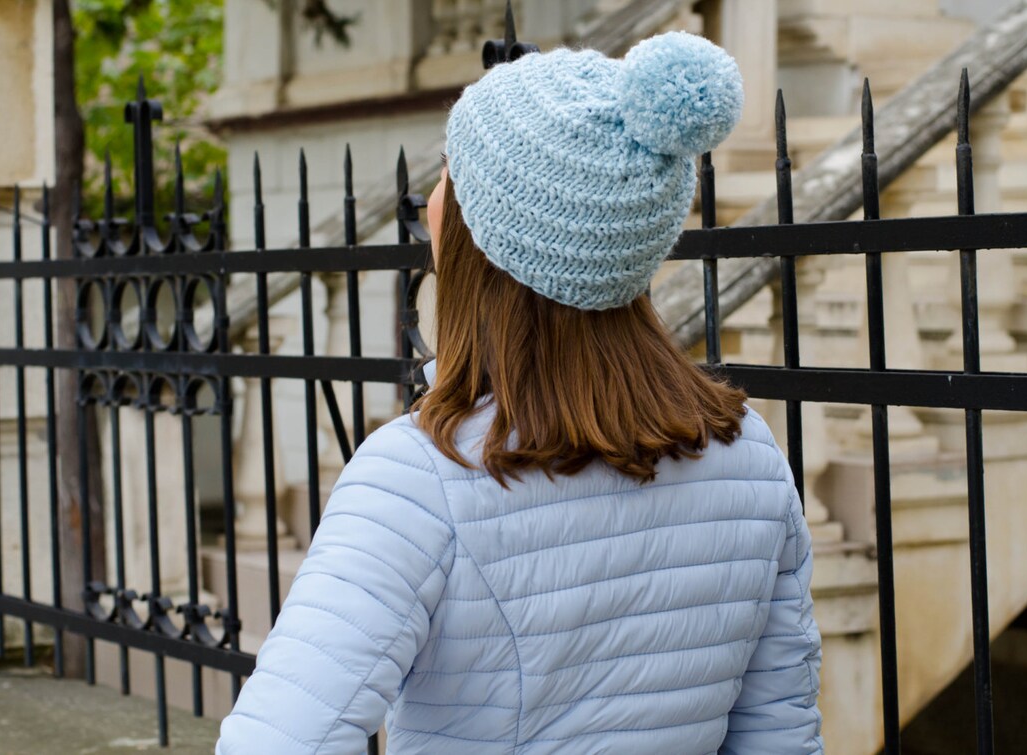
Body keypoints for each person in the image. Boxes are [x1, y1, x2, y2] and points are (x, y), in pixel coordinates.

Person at [216, 30, 822, 755]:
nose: (432, 200)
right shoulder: (748, 453)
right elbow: (779, 737)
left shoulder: (421, 477)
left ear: (486, 236)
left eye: (449, 173)